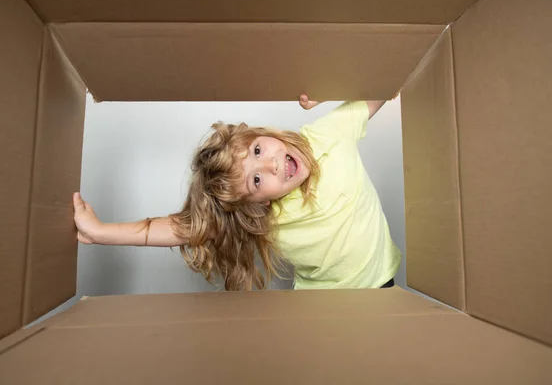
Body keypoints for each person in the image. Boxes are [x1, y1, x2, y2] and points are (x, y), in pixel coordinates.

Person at [73, 95, 401, 291]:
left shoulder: (326, 135)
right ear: (256, 201)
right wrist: (100, 231)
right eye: (256, 182)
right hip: (323, 310)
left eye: (258, 150)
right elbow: (181, 228)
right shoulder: (264, 217)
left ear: (262, 134)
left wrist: (330, 83)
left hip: (383, 282)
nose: (270, 165)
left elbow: (379, 87)